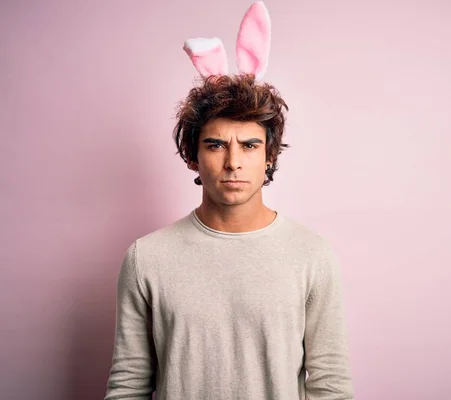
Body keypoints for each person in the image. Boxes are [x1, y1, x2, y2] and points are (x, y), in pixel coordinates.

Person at [104, 2, 353, 399]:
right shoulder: (146, 258)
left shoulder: (312, 255)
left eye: (250, 145)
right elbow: (129, 385)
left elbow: (330, 385)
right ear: (193, 156)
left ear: (269, 156)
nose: (233, 162)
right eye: (216, 145)